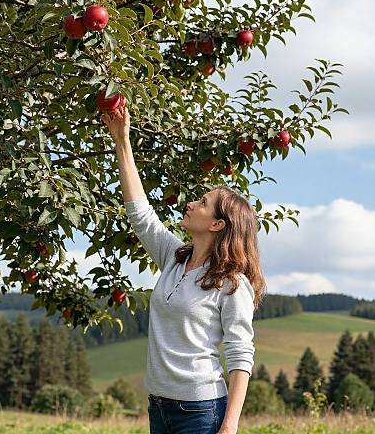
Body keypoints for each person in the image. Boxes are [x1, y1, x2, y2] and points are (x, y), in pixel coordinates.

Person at [102, 103, 266, 434]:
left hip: (201, 411)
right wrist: (122, 140)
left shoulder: (232, 285)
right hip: (159, 405)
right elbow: (140, 214)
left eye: (202, 203)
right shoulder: (174, 258)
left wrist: (229, 424)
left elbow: (240, 356)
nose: (191, 204)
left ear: (218, 224)